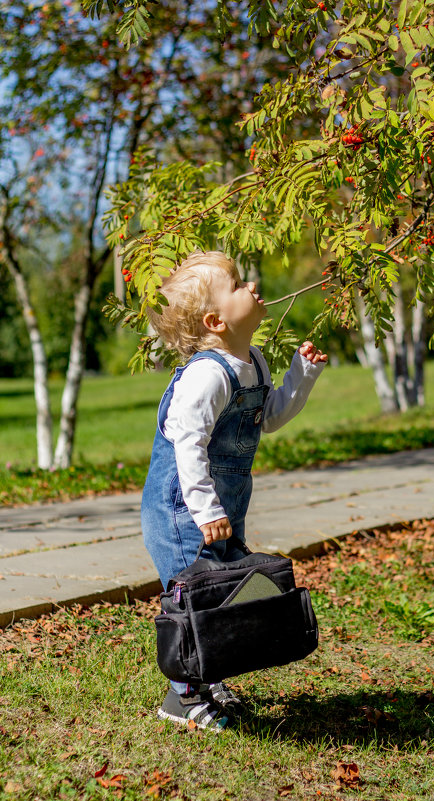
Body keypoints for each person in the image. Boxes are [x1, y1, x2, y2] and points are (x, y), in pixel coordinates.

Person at [141, 250, 327, 731]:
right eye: (238, 284)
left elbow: (269, 418)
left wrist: (300, 377)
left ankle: (208, 673)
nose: (252, 286)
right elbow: (188, 445)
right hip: (184, 506)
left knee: (223, 591)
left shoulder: (253, 362)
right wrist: (204, 511)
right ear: (215, 320)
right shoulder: (206, 375)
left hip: (221, 505)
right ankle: (182, 698)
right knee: (195, 597)